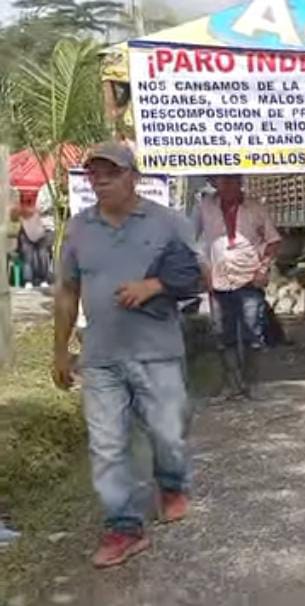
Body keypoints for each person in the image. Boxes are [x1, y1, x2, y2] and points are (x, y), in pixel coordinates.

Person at [53, 142, 200, 568]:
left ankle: (171, 484)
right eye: (94, 174)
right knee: (107, 445)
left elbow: (198, 277)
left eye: (110, 173)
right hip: (100, 356)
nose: (100, 180)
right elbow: (67, 291)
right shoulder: (79, 229)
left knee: (168, 435)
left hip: (158, 352)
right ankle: (124, 527)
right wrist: (60, 350)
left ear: (132, 176)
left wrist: (153, 286)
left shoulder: (168, 222)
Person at [195, 174, 282, 401]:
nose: (228, 185)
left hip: (249, 278)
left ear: (241, 182)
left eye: (233, 180)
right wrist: (204, 271)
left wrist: (264, 268)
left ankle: (251, 383)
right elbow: (192, 241)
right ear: (215, 183)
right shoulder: (205, 207)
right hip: (218, 279)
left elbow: (273, 241)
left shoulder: (255, 208)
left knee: (253, 331)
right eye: (223, 181)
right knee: (223, 334)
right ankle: (231, 385)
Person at [15, 184, 55, 288]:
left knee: (42, 254)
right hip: (32, 225)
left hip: (45, 227)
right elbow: (38, 208)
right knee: (30, 254)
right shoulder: (46, 188)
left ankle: (41, 279)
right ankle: (31, 280)